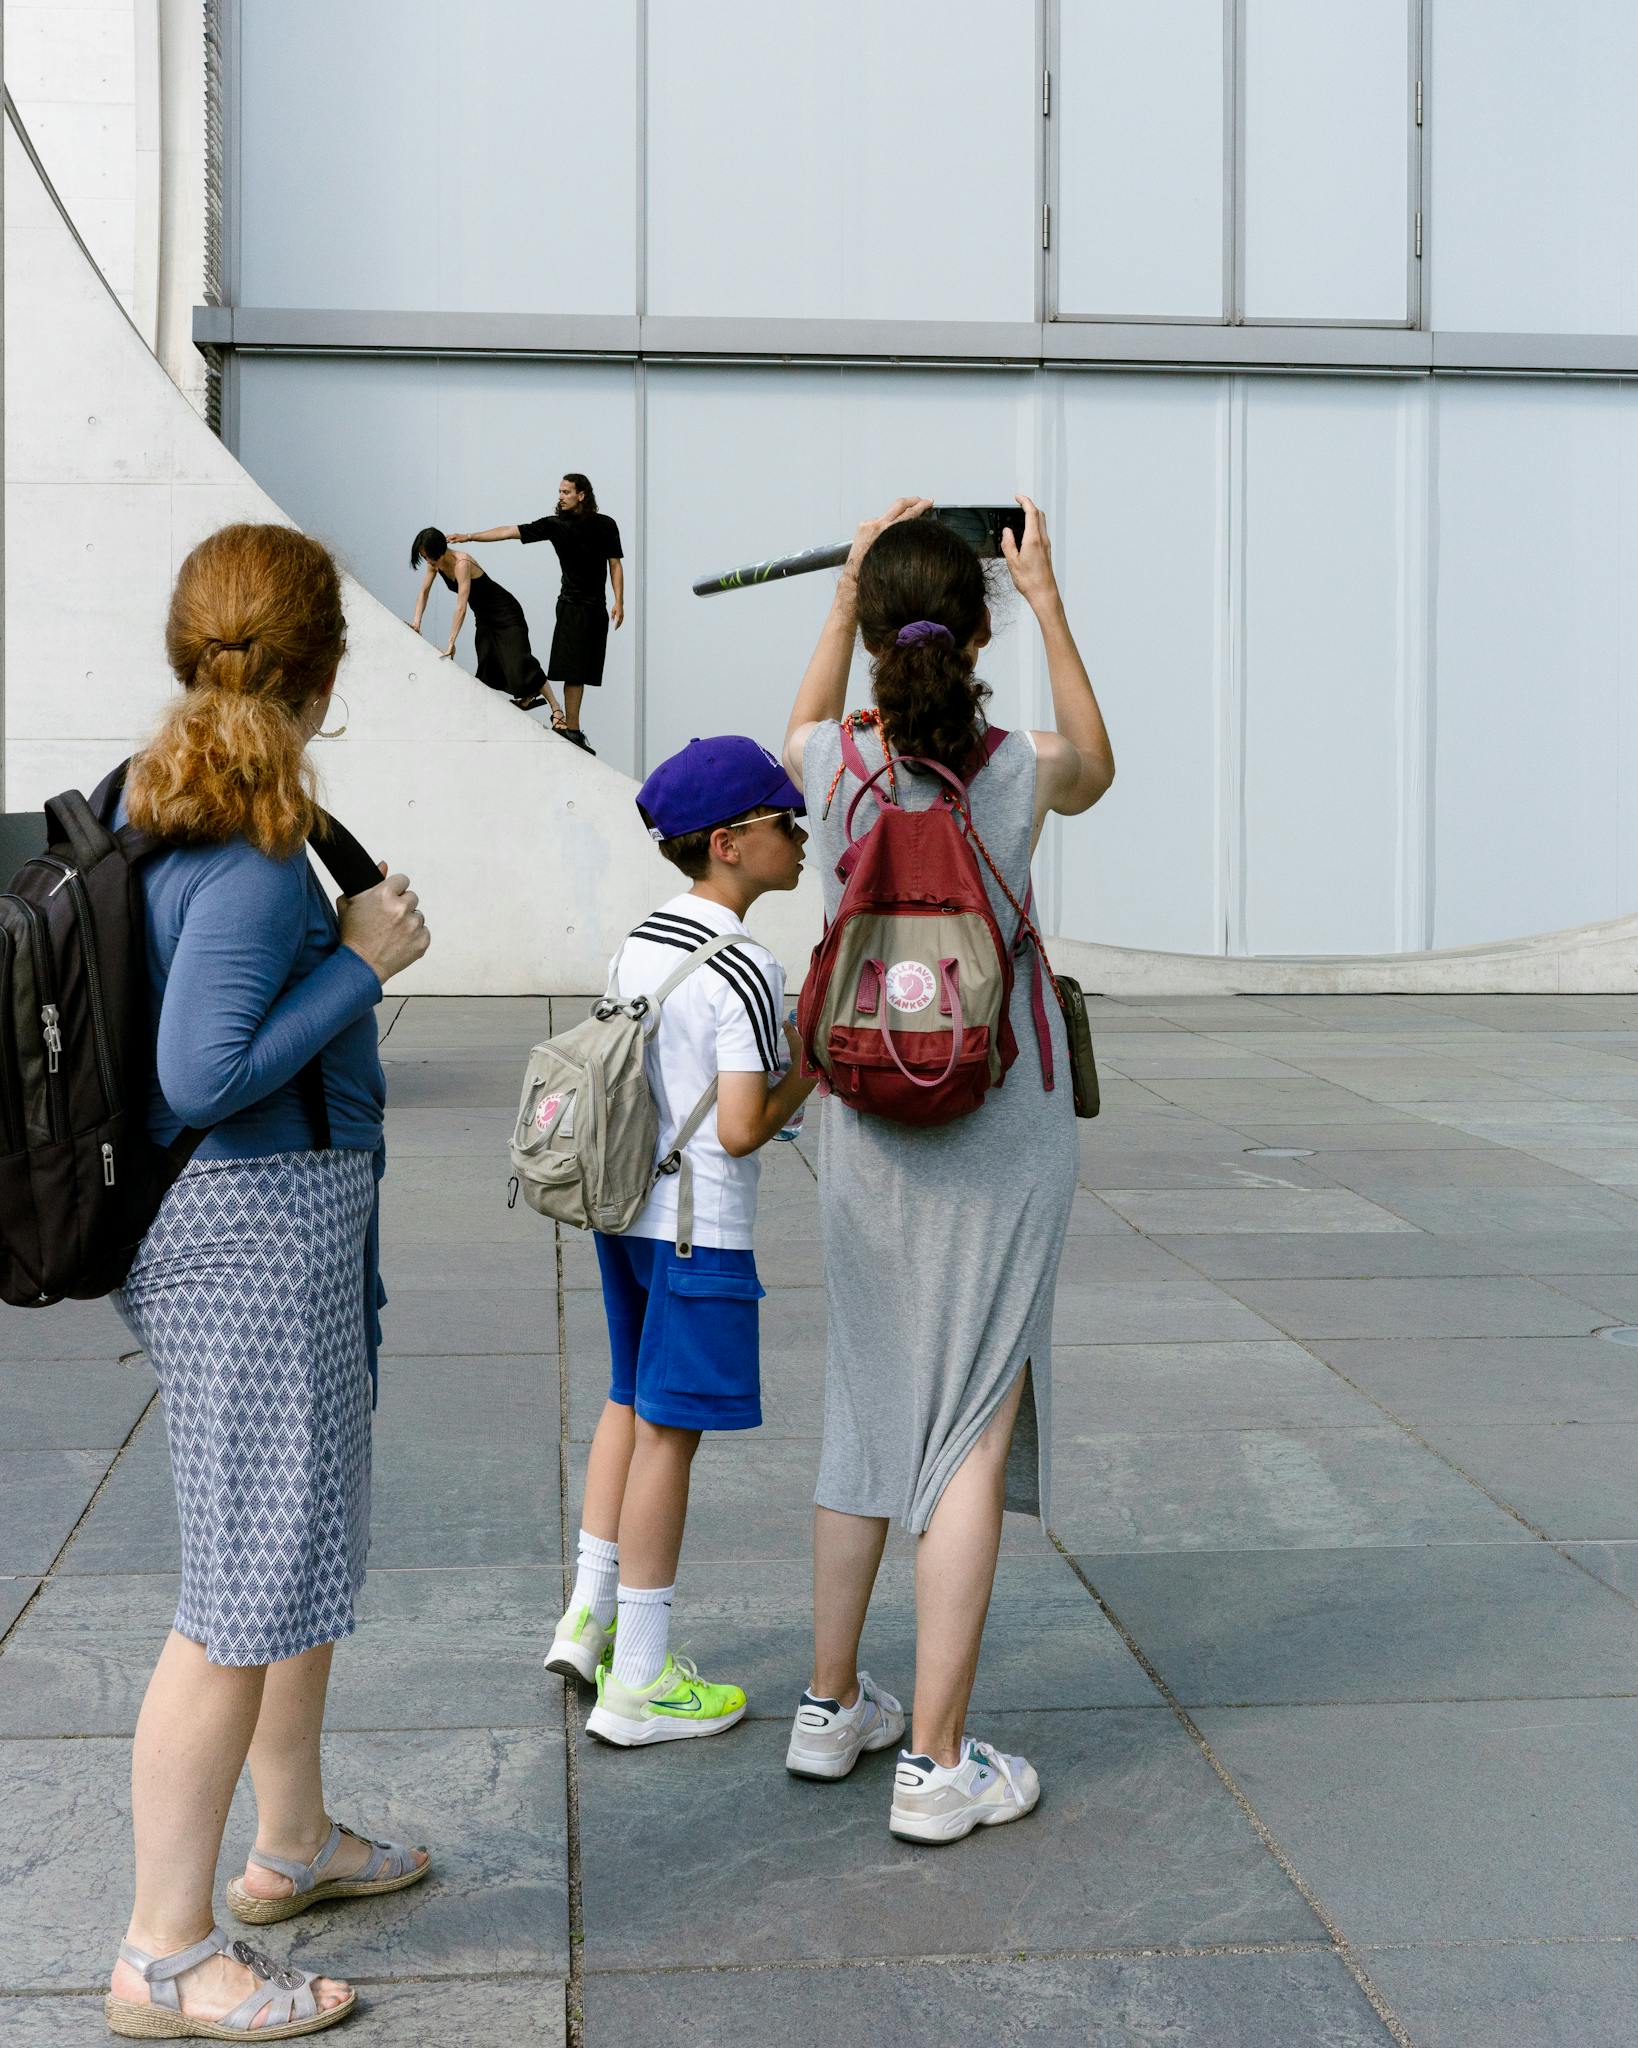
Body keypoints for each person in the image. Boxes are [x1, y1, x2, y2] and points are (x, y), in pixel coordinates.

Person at [105, 524, 432, 2040]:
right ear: (324, 672)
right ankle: (165, 1953)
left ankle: (292, 1843)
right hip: (249, 1234)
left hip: (268, 1222)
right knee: (237, 1596)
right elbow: (203, 1071)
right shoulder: (242, 846)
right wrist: (363, 960)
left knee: (289, 1559)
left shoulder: (181, 793)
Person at [779, 494, 1114, 1844]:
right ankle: (933, 1763)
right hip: (1000, 1121)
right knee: (973, 1420)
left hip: (864, 1123)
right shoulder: (1016, 769)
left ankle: (827, 1705)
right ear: (977, 634)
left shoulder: (831, 767)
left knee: (866, 1406)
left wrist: (840, 592)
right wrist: (1048, 600)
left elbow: (796, 726)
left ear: (871, 636)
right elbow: (1100, 762)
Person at [545, 735, 817, 1746]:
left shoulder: (641, 940)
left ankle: (589, 1618)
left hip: (626, 1213)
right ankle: (642, 1681)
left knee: (628, 1399)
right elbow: (742, 1127)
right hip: (700, 1230)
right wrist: (813, 1064)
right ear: (730, 842)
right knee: (670, 1434)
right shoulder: (745, 965)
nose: (802, 836)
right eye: (785, 820)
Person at [449, 473, 622, 754]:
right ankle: (572, 728)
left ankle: (572, 728)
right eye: (560, 492)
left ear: (582, 495)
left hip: (596, 608)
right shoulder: (555, 525)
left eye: (566, 492)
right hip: (570, 605)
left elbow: (615, 564)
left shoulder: (606, 525)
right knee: (573, 670)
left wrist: (619, 602)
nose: (561, 497)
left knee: (584, 671)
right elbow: (509, 531)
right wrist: (470, 537)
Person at [407, 525, 566, 725]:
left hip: (506, 613)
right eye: (424, 557)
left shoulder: (462, 563)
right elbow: (424, 592)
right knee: (488, 668)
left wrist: (451, 642)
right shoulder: (435, 564)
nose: (428, 561)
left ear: (438, 550)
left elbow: (461, 606)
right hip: (484, 618)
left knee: (520, 662)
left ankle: (557, 710)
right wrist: (416, 622)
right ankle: (527, 695)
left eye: (428, 556)